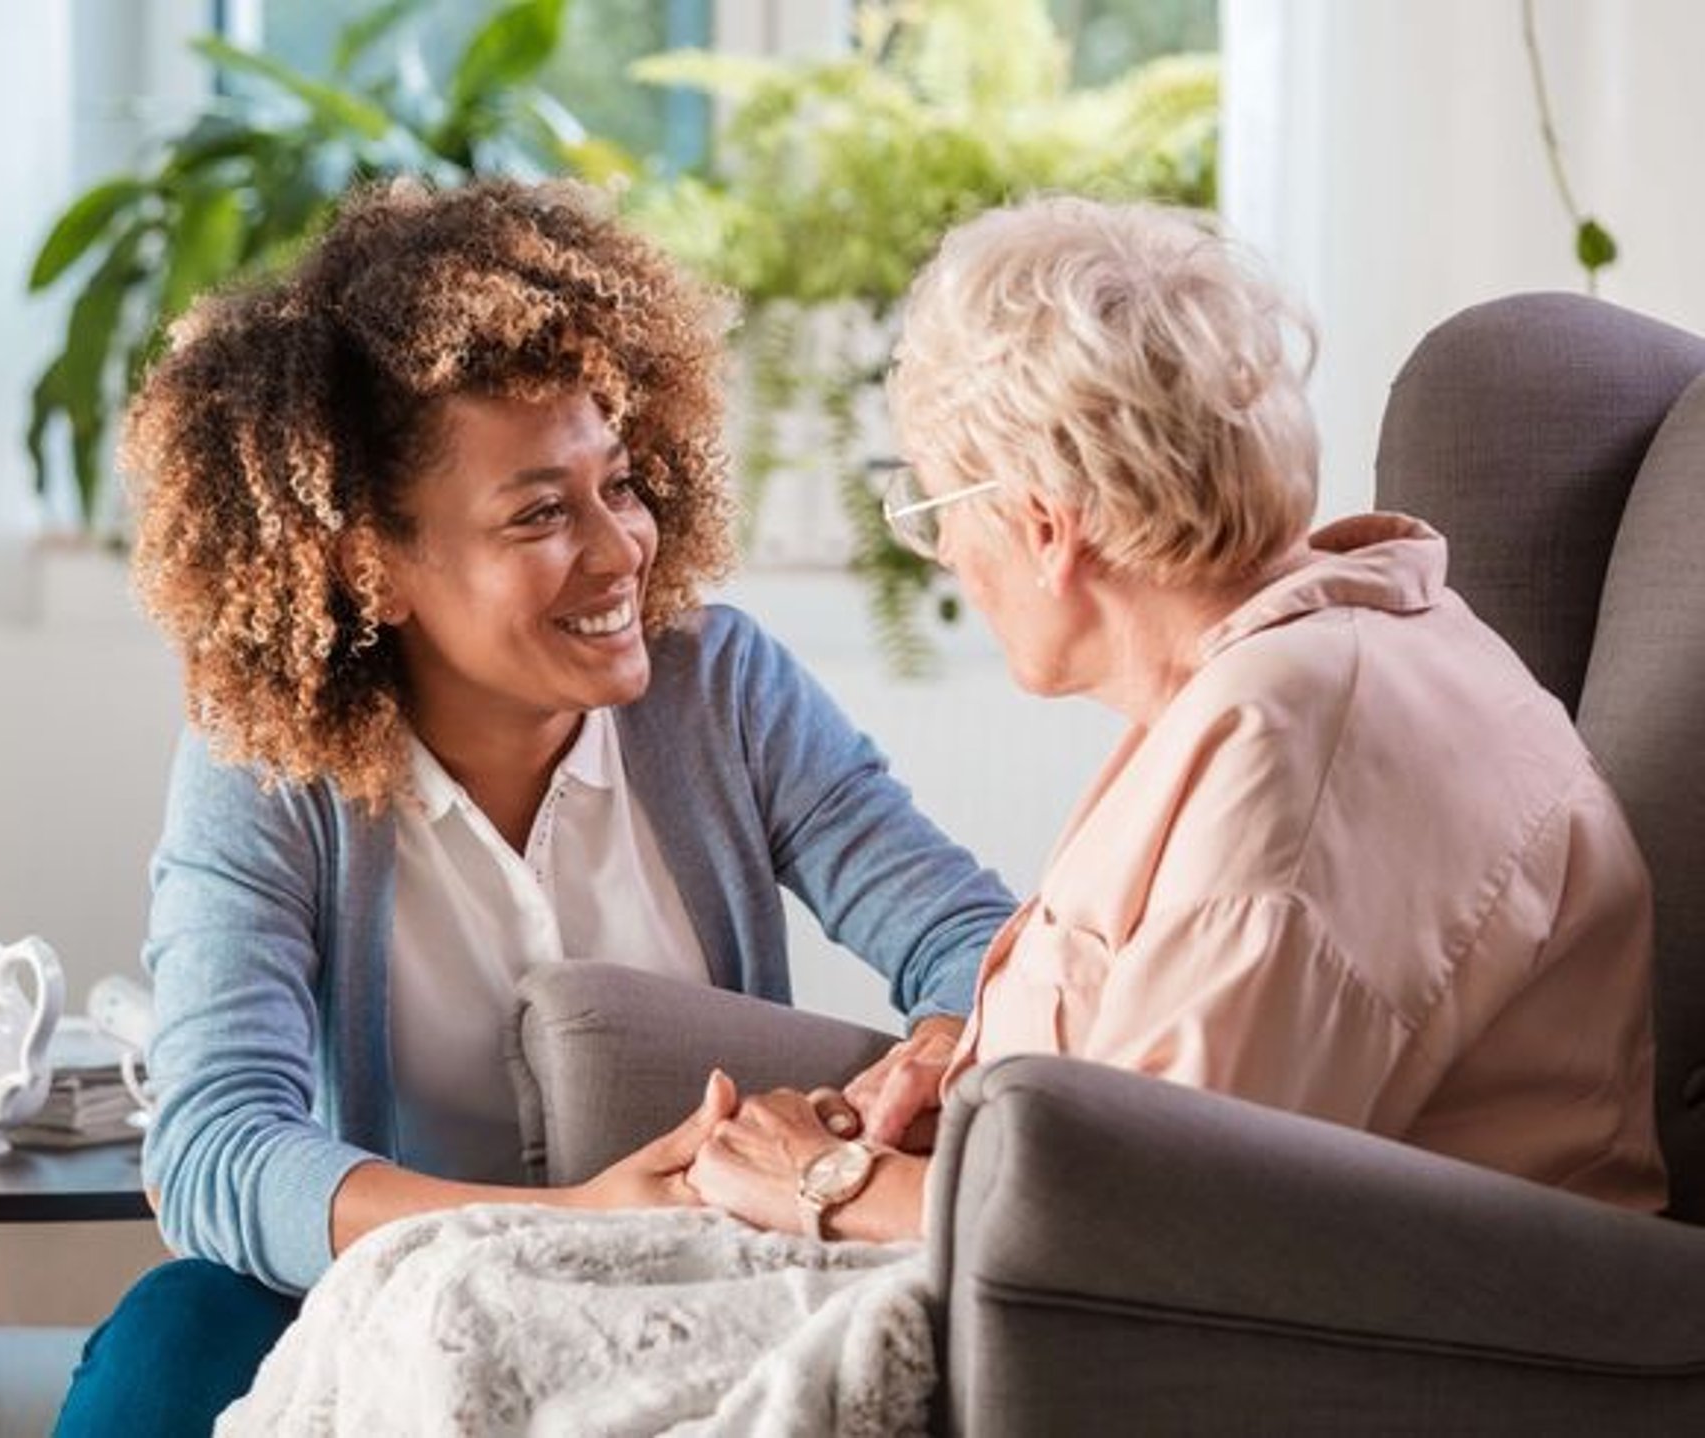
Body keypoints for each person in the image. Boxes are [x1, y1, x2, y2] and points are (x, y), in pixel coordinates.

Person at [51, 178, 1016, 1436]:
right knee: (176, 1335)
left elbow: (973, 940)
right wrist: (568, 1222)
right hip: (395, 1297)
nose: (621, 549)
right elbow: (218, 1148)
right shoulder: (268, 769)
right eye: (542, 513)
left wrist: (944, 1045)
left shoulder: (720, 690)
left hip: (693, 1287)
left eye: (618, 483)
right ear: (371, 566)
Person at [685, 195, 1666, 1244]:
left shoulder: (1293, 741)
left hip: (1401, 1345)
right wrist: (975, 1082)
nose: (950, 559)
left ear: (1044, 525)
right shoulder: (1314, 655)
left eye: (932, 512)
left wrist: (829, 1182)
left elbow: (1155, 1223)